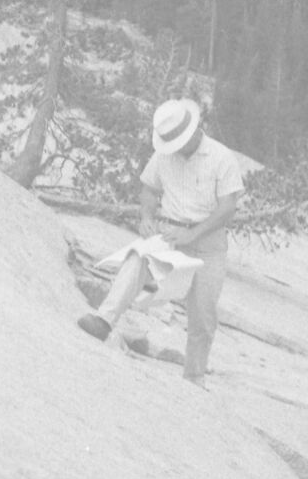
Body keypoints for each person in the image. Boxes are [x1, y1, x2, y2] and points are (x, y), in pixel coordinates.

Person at [74, 98, 247, 384]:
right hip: (170, 232)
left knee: (202, 313)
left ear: (194, 131)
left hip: (208, 243)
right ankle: (103, 320)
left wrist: (193, 233)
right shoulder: (163, 155)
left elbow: (227, 207)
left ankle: (193, 377)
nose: (174, 147)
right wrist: (146, 216)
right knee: (137, 258)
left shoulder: (221, 157)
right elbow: (149, 188)